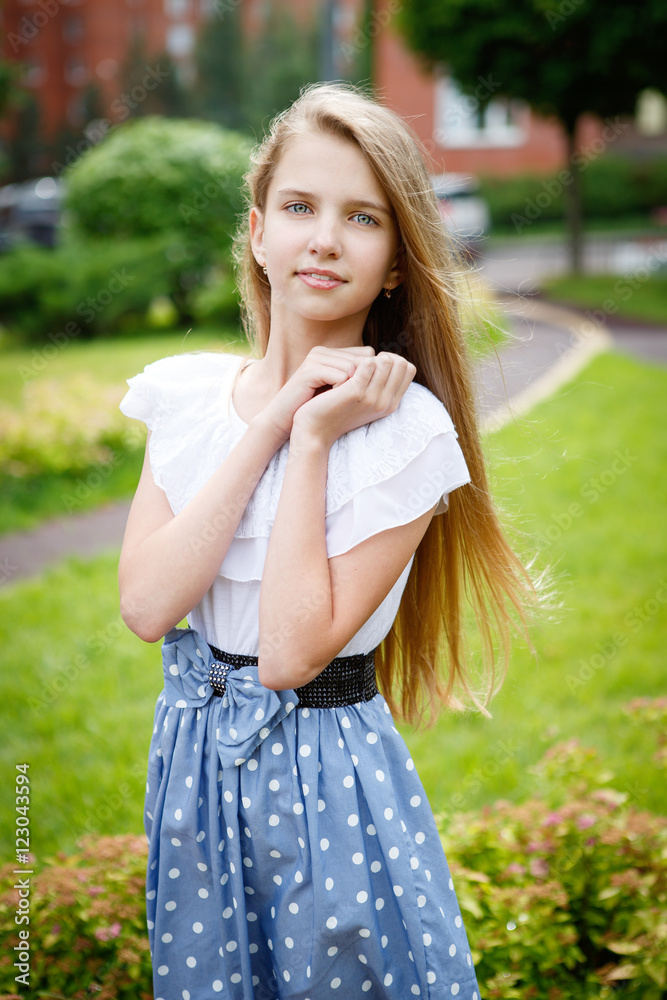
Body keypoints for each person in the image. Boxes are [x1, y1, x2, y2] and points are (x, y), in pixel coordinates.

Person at [118, 82, 533, 1000]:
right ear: (258, 231)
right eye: (301, 208)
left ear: (394, 263)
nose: (324, 239)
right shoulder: (186, 400)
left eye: (362, 218)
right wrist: (274, 419)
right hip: (194, 774)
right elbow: (147, 607)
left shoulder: (405, 435)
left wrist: (311, 441)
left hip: (323, 784)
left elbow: (290, 656)